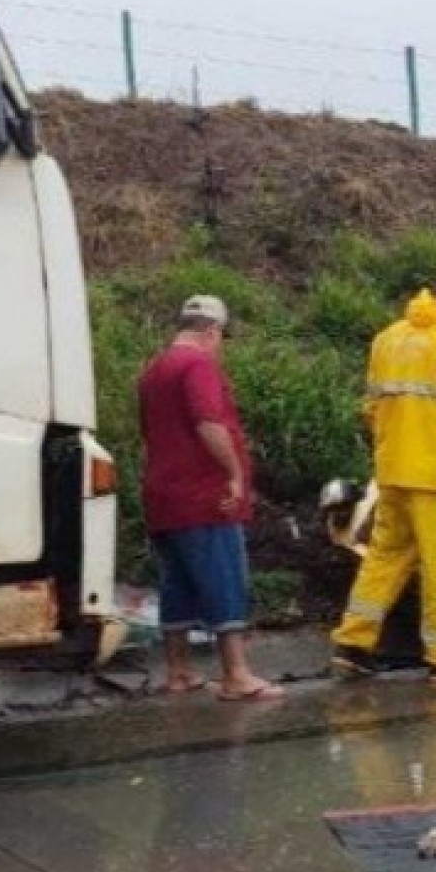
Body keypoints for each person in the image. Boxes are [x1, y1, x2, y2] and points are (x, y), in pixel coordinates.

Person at [330, 272, 436, 683]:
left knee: (383, 560)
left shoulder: (389, 338)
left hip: (393, 474)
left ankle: (353, 643)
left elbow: (371, 408)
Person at [135, 294, 286, 702]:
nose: (220, 344)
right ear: (210, 331)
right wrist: (234, 473)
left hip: (163, 494)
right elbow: (207, 421)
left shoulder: (154, 369)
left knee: (177, 584)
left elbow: (151, 433)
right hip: (203, 494)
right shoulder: (197, 365)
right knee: (224, 578)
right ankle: (236, 675)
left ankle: (179, 672)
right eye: (221, 336)